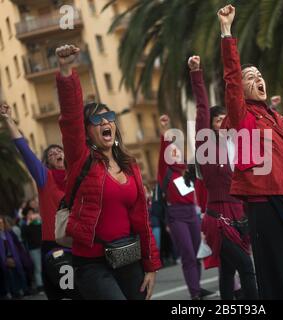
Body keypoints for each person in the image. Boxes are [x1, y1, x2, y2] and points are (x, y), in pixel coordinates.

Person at [217, 4, 283, 300]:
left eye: (259, 75)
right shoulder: (242, 115)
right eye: (250, 77)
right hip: (264, 205)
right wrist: (227, 32)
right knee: (274, 279)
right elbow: (232, 81)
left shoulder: (278, 118)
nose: (257, 79)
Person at [55, 44, 160, 300]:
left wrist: (150, 266)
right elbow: (70, 119)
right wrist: (67, 70)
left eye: (109, 116)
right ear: (87, 132)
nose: (105, 122)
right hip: (91, 263)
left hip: (127, 257)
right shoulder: (81, 159)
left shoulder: (130, 165)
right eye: (96, 120)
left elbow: (141, 221)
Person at [188, 55, 258, 300]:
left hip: (241, 215)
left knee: (228, 272)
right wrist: (197, 75)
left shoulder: (237, 145)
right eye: (216, 121)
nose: (221, 124)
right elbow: (201, 109)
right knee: (247, 269)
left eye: (223, 120)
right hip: (219, 219)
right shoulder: (205, 147)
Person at [0, 102, 79, 300]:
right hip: (56, 247)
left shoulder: (79, 177)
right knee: (66, 293)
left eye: (59, 151)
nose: (56, 153)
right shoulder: (46, 178)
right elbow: (24, 150)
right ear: (47, 163)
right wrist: (8, 120)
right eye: (51, 154)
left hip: (81, 243)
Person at [157, 114, 209, 300]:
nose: (175, 152)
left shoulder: (186, 170)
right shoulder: (166, 170)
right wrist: (165, 130)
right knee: (187, 254)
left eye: (177, 150)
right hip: (176, 215)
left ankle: (198, 288)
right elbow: (165, 146)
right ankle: (194, 293)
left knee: (197, 254)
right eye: (171, 151)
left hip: (192, 214)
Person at [0, 215, 28, 299]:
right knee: (8, 276)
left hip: (14, 257)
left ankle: (21, 290)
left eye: (1, 222)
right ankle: (11, 292)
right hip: (3, 259)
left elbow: (18, 245)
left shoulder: (10, 232)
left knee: (18, 273)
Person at [21, 206, 43, 292]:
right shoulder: (25, 225)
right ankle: (40, 286)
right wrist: (28, 223)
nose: (31, 215)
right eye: (29, 213)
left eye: (32, 213)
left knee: (44, 266)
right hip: (33, 249)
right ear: (25, 215)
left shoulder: (37, 222)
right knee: (38, 268)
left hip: (41, 246)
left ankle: (46, 284)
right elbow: (23, 236)